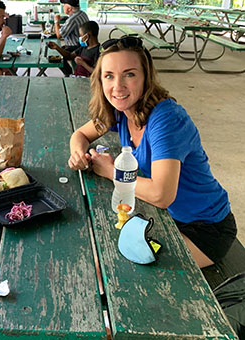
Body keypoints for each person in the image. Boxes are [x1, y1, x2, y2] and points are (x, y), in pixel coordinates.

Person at [68, 37, 237, 268]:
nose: (117, 86)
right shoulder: (120, 110)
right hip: (166, 216)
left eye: (129, 74)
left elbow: (161, 194)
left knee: (117, 267)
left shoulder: (166, 119)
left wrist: (110, 171)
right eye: (109, 75)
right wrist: (78, 154)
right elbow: (80, 135)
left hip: (205, 228)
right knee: (95, 249)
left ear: (146, 77)